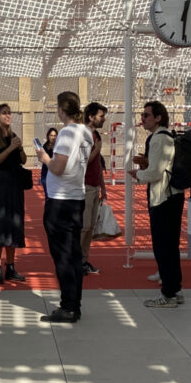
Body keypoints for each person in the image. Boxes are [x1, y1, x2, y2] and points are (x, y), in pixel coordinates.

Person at [34, 91, 91, 323]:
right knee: (74, 255)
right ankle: (73, 303)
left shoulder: (67, 133)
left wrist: (44, 157)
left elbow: (58, 167)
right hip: (76, 197)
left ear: (61, 108)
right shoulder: (86, 132)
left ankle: (68, 306)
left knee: (64, 256)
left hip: (61, 199)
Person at [129, 101, 184, 308]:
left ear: (158, 117)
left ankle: (168, 293)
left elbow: (155, 173)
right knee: (170, 246)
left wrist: (138, 174)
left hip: (164, 198)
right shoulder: (165, 137)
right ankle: (175, 289)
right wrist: (145, 164)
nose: (142, 119)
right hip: (171, 195)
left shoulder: (159, 139)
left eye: (146, 115)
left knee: (163, 246)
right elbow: (159, 166)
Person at [0, 103, 27, 285]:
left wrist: (20, 147)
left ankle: (10, 266)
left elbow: (23, 160)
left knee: (13, 224)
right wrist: (9, 149)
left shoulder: (14, 136)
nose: (8, 116)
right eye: (4, 113)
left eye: (9, 113)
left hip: (14, 185)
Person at [81, 103, 108, 275]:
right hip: (83, 187)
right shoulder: (83, 135)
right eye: (101, 116)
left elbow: (97, 163)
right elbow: (82, 162)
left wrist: (103, 187)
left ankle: (84, 260)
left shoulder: (96, 135)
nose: (103, 119)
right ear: (91, 116)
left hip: (94, 186)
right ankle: (76, 260)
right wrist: (96, 149)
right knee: (83, 226)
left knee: (90, 227)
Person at [39, 127, 58, 198]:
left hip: (55, 175)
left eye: (55, 135)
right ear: (48, 136)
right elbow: (42, 159)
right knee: (48, 196)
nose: (53, 137)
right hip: (46, 174)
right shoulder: (44, 147)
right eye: (51, 135)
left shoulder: (58, 147)